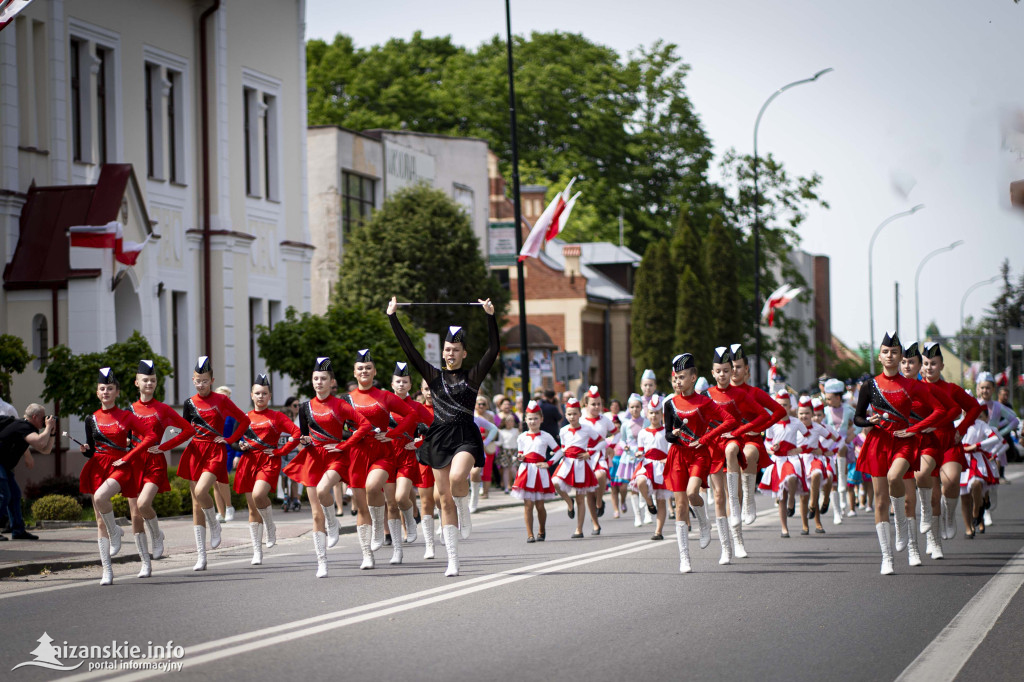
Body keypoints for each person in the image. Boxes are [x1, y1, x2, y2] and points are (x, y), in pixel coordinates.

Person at [388, 295, 500, 577]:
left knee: (456, 480)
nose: (450, 353)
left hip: (463, 435)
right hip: (438, 438)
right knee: (443, 499)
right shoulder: (433, 376)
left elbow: (494, 349)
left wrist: (490, 316)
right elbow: (410, 350)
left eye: (456, 350)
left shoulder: (472, 377)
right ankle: (453, 559)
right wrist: (393, 317)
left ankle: (465, 505)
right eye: (447, 349)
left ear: (464, 353)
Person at [853, 332, 944, 575]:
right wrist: (868, 421)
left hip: (904, 442)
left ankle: (906, 533)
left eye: (895, 352)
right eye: (886, 352)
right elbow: (857, 417)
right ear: (880, 356)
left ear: (900, 355)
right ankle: (887, 557)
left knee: (898, 481)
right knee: (880, 501)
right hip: (878, 443)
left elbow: (938, 410)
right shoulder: (869, 385)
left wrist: (914, 428)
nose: (890, 356)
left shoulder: (912, 385)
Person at [283, 357, 373, 577]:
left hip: (335, 457)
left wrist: (345, 444)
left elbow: (364, 425)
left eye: (323, 378)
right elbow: (304, 433)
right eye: (316, 378)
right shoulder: (305, 407)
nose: (319, 382)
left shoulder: (341, 404)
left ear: (332, 381)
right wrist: (303, 440)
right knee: (316, 516)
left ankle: (333, 522)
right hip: (313, 458)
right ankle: (322, 561)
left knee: (324, 490)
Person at [78, 368, 158, 584]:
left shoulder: (126, 416)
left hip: (121, 466)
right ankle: (107, 570)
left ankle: (134, 549)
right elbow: (92, 450)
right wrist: (86, 449)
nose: (106, 392)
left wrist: (130, 455)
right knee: (99, 521)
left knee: (109, 501)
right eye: (102, 389)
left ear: (117, 392)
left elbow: (150, 436)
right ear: (97, 393)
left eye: (110, 388)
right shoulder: (91, 418)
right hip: (98, 466)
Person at [663, 354, 738, 572]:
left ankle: (704, 521)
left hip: (698, 455)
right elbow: (667, 434)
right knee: (680, 507)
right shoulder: (670, 404)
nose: (678, 381)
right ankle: (684, 558)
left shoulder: (704, 402)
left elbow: (730, 421)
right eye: (676, 377)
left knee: (692, 493)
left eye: (683, 377)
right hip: (677, 455)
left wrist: (705, 439)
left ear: (694, 377)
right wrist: (675, 434)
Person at [346, 349, 418, 566]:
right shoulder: (347, 399)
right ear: (355, 372)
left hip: (383, 453)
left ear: (374, 371)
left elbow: (412, 415)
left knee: (387, 499)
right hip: (357, 455)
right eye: (360, 368)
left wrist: (393, 433)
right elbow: (334, 425)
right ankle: (367, 554)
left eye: (368, 367)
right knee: (361, 507)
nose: (364, 371)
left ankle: (395, 546)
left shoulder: (385, 396)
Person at [179, 356, 251, 571]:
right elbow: (186, 429)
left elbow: (244, 420)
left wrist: (229, 440)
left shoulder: (221, 401)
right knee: (195, 505)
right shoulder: (189, 403)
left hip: (215, 451)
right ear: (193, 380)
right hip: (195, 451)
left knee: (202, 491)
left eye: (205, 381)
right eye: (197, 381)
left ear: (212, 380)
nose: (201, 385)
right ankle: (201, 556)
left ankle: (214, 523)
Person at [706, 347, 776, 561]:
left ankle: (738, 541)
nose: (725, 374)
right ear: (713, 372)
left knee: (733, 496)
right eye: (719, 370)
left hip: (733, 445)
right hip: (712, 448)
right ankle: (725, 548)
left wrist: (746, 431)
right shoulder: (707, 394)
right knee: (719, 497)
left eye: (728, 370)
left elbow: (764, 414)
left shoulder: (741, 394)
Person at [127, 360, 196, 571]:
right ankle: (144, 562)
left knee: (144, 504)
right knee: (135, 515)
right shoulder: (128, 410)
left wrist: (165, 446)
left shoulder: (163, 409)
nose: (149, 383)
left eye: (153, 380)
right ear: (137, 383)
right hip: (133, 463)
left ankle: (157, 535)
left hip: (155, 462)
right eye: (145, 380)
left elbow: (188, 430)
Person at [234, 374, 300, 566]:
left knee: (259, 495)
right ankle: (257, 551)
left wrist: (281, 450)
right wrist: (241, 446)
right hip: (249, 461)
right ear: (251, 395)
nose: (260, 396)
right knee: (252, 509)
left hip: (269, 461)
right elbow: (235, 441)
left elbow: (296, 434)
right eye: (257, 393)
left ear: (269, 396)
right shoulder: (245, 418)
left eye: (264, 393)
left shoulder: (277, 416)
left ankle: (270, 525)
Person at [729, 344, 787, 525]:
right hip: (728, 442)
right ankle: (736, 531)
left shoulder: (754, 392)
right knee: (730, 495)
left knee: (748, 455)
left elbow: (778, 411)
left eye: (738, 367)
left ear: (746, 369)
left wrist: (761, 428)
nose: (734, 371)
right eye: (731, 367)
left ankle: (750, 499)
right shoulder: (720, 394)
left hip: (750, 440)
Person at [0, 403, 56, 541]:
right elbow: (40, 443)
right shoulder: (22, 426)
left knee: (14, 495)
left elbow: (45, 450)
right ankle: (17, 529)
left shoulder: (27, 428)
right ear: (35, 417)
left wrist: (52, 432)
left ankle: (18, 530)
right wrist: (48, 427)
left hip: (4, 465)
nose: (45, 420)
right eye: (43, 418)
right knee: (4, 495)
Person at [552, 397, 602, 538]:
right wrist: (551, 461)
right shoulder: (563, 430)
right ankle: (569, 502)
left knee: (581, 497)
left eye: (574, 413)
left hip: (581, 464)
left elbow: (602, 442)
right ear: (565, 415)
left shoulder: (587, 429)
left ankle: (579, 529)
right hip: (567, 463)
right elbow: (562, 448)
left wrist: (589, 452)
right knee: (555, 483)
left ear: (580, 414)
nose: (572, 417)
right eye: (569, 414)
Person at [512, 401, 560, 542]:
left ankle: (541, 530)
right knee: (528, 505)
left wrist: (548, 463)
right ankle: (530, 534)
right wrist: (520, 457)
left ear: (541, 419)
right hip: (526, 471)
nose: (533, 421)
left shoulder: (546, 436)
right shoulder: (522, 437)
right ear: (525, 420)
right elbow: (520, 453)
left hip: (540, 471)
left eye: (535, 418)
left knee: (540, 505)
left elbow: (559, 451)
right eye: (530, 418)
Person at [759, 390, 804, 538]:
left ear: (791, 406)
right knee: (781, 496)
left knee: (791, 477)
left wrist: (800, 448)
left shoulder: (796, 422)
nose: (782, 407)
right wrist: (773, 448)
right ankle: (784, 528)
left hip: (791, 459)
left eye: (785, 405)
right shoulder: (772, 424)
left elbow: (809, 437)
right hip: (778, 460)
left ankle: (792, 501)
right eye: (779, 405)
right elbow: (767, 443)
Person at [632, 395, 672, 540]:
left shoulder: (666, 431)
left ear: (661, 414)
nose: (654, 416)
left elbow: (670, 450)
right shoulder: (642, 433)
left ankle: (658, 531)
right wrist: (638, 454)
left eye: (657, 413)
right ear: (647, 414)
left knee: (661, 500)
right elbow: (641, 450)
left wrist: (667, 460)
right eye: (651, 413)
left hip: (662, 467)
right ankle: (649, 503)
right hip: (648, 465)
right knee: (640, 481)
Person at [581, 386, 617, 519]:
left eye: (599, 404)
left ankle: (599, 500)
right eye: (593, 404)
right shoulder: (582, 421)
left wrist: (611, 445)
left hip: (601, 455)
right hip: (585, 457)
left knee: (601, 475)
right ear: (586, 405)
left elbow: (616, 433)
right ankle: (595, 523)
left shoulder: (605, 419)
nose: (596, 407)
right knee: (589, 492)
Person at [822, 378, 856, 518]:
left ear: (837, 397)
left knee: (842, 450)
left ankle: (843, 483)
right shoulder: (825, 411)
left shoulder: (848, 409)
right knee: (832, 476)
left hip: (844, 443)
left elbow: (859, 422)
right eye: (826, 398)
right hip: (830, 444)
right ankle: (838, 508)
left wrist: (852, 434)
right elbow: (821, 426)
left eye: (830, 398)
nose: (828, 401)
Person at [413, 378, 439, 559]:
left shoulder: (444, 408)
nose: (429, 392)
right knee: (425, 502)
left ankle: (446, 525)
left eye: (433, 389)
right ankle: (429, 544)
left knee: (441, 497)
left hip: (443, 457)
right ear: (421, 391)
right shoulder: (416, 409)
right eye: (426, 389)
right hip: (424, 457)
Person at [616, 394, 645, 526]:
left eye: (637, 406)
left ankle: (648, 512)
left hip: (642, 456)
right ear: (628, 408)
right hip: (629, 457)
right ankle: (637, 516)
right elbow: (621, 440)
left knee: (643, 484)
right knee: (633, 487)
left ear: (641, 407)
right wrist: (625, 446)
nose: (634, 409)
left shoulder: (646, 421)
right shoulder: (626, 424)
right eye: (632, 407)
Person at [471, 395, 500, 509]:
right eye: (479, 404)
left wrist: (485, 442)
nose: (481, 406)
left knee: (478, 472)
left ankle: (475, 498)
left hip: (479, 449)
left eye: (483, 403)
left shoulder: (479, 418)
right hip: (461, 450)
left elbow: (494, 428)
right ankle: (464, 501)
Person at [279, 396, 304, 512]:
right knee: (284, 478)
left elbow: (299, 439)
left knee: (294, 478)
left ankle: (295, 498)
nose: (288, 419)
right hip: (282, 455)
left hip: (293, 454)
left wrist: (299, 446)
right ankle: (286, 497)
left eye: (290, 417)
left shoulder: (294, 428)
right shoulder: (278, 429)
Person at [497, 413, 521, 494]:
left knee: (514, 469)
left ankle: (518, 485)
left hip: (514, 451)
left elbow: (519, 442)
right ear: (505, 422)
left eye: (512, 421)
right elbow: (500, 442)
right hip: (505, 451)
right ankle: (506, 487)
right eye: (508, 421)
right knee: (506, 470)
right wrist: (492, 443)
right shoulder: (501, 431)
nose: (510, 422)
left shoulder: (516, 431)